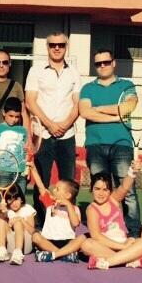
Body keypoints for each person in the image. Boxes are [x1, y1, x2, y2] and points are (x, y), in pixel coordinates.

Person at [78, 48, 142, 237]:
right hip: (95, 145)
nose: (103, 66)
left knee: (127, 190)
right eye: (98, 63)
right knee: (101, 190)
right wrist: (116, 117)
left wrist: (99, 109)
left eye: (106, 62)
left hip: (122, 144)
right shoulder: (87, 88)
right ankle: (103, 229)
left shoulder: (127, 85)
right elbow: (85, 112)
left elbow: (128, 107)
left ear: (113, 63)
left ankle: (134, 231)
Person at [25, 32, 82, 226]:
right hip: (43, 134)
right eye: (52, 45)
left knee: (68, 183)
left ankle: (66, 223)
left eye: (61, 45)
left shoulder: (74, 72)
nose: (56, 48)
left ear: (66, 47)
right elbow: (30, 101)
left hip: (67, 135)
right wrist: (49, 124)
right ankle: (42, 222)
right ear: (47, 47)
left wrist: (66, 124)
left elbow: (77, 103)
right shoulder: (35, 71)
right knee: (41, 180)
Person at [80, 165, 142, 270]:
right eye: (97, 189)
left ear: (110, 191)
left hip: (123, 242)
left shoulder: (113, 200)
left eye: (105, 190)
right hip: (107, 246)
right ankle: (130, 259)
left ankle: (108, 261)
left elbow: (124, 186)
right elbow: (96, 236)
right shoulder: (91, 209)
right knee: (86, 245)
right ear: (91, 189)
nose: (101, 193)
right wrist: (123, 248)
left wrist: (132, 171)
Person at [29, 161, 86, 263]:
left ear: (68, 195)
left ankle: (51, 254)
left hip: (67, 241)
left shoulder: (74, 209)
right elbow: (41, 187)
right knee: (36, 237)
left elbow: (75, 223)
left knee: (80, 239)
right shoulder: (50, 203)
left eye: (57, 189)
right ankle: (64, 255)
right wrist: (33, 169)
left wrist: (68, 205)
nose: (53, 190)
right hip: (49, 240)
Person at [0, 97, 29, 193]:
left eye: (17, 117)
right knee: (2, 203)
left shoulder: (23, 130)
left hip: (20, 174)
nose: (14, 119)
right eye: (11, 116)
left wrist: (27, 169)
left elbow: (26, 152)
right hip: (2, 172)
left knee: (19, 203)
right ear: (4, 113)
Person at [0, 185, 36, 266]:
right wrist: (1, 211)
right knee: (0, 220)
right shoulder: (7, 210)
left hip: (25, 247)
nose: (14, 203)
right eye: (10, 200)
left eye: (16, 199)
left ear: (21, 199)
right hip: (10, 246)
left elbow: (32, 231)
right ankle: (2, 250)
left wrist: (19, 219)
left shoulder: (28, 208)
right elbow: (2, 217)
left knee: (17, 222)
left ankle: (18, 253)